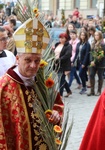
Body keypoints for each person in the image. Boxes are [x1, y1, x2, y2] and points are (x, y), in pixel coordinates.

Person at [0, 18, 63, 149]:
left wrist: (57, 114)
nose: (33, 65)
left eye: (37, 60)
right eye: (28, 60)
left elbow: (57, 105)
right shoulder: (4, 87)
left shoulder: (44, 82)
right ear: (17, 59)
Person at [87, 31, 105, 96]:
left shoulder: (102, 44)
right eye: (95, 35)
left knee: (100, 76)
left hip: (100, 63)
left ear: (100, 36)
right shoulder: (93, 43)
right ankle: (92, 90)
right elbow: (91, 53)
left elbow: (101, 55)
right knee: (91, 75)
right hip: (92, 63)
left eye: (97, 35)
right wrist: (91, 61)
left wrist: (95, 61)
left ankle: (99, 91)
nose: (96, 36)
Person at [54, 32, 72, 97]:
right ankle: (68, 90)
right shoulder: (57, 44)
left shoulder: (68, 46)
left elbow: (68, 55)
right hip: (56, 64)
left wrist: (59, 59)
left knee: (60, 79)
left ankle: (60, 95)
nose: (61, 39)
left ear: (66, 38)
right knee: (62, 79)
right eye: (60, 38)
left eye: (62, 38)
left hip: (64, 65)